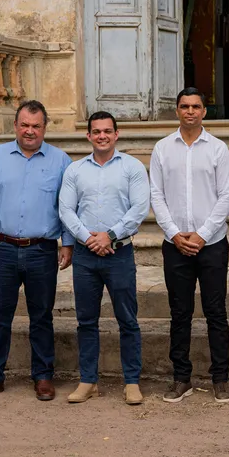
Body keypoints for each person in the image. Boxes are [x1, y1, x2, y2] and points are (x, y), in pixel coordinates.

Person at [0, 100, 73, 401]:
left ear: (44, 128)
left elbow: (65, 207)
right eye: (24, 125)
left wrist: (67, 243)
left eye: (36, 126)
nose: (30, 131)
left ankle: (42, 376)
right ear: (15, 125)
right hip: (3, 248)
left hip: (42, 250)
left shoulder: (60, 161)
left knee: (42, 316)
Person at [150, 87, 229, 404]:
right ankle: (181, 378)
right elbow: (156, 195)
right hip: (175, 245)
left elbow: (226, 195)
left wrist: (201, 234)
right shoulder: (162, 149)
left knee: (216, 313)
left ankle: (221, 379)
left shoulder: (217, 149)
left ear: (204, 111)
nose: (190, 111)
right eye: (184, 106)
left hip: (211, 244)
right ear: (177, 110)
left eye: (196, 106)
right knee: (180, 313)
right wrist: (175, 233)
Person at [58, 111, 150, 405]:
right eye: (96, 131)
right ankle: (88, 381)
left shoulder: (132, 168)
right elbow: (66, 210)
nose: (102, 136)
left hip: (119, 254)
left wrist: (109, 235)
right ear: (88, 136)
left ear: (116, 134)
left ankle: (132, 382)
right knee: (86, 320)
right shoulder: (75, 170)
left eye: (107, 131)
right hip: (86, 257)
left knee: (127, 319)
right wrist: (88, 238)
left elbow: (139, 209)